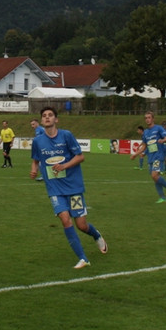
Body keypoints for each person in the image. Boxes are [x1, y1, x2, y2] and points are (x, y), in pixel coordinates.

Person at [30, 106, 107, 269]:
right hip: (54, 188)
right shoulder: (37, 141)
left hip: (73, 187)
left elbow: (80, 157)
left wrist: (64, 166)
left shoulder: (66, 136)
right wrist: (34, 169)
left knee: (81, 225)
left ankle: (96, 235)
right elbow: (36, 158)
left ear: (56, 119)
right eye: (44, 116)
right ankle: (83, 258)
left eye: (50, 115)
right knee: (65, 220)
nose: (47, 118)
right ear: (42, 121)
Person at [130, 111, 166, 203]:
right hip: (151, 157)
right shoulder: (145, 132)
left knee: (154, 175)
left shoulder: (158, 128)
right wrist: (135, 154)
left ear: (153, 119)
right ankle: (162, 197)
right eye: (146, 118)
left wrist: (163, 140)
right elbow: (144, 146)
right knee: (155, 178)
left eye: (149, 117)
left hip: (159, 156)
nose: (147, 119)